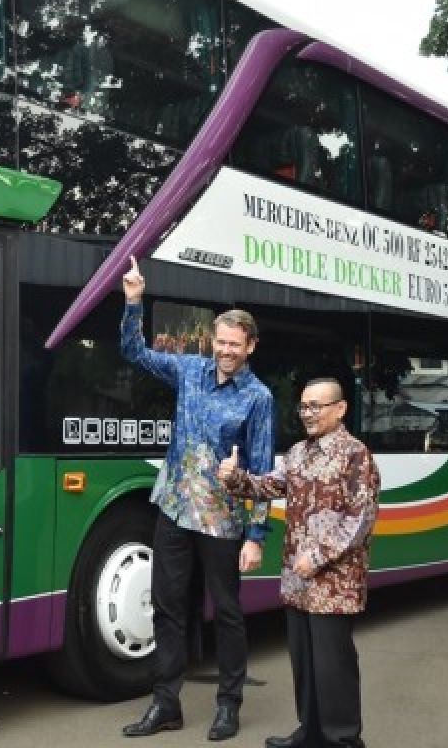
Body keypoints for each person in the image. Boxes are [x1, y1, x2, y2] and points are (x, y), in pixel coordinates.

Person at [119, 256, 274, 742]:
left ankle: (229, 704)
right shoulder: (187, 370)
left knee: (226, 614)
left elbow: (265, 472)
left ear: (250, 347)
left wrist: (255, 536)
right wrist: (133, 301)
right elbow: (134, 352)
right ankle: (165, 704)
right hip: (174, 510)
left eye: (235, 345)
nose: (225, 352)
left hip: (223, 523)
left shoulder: (259, 398)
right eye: (220, 342)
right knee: (166, 608)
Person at [217, 377, 379, 748]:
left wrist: (319, 557)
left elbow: (360, 519)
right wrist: (235, 478)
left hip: (333, 583)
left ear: (340, 409)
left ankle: (342, 740)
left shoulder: (356, 455)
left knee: (332, 666)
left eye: (316, 406)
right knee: (304, 663)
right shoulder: (297, 453)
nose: (308, 414)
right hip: (297, 581)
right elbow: (267, 487)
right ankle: (309, 733)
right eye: (304, 406)